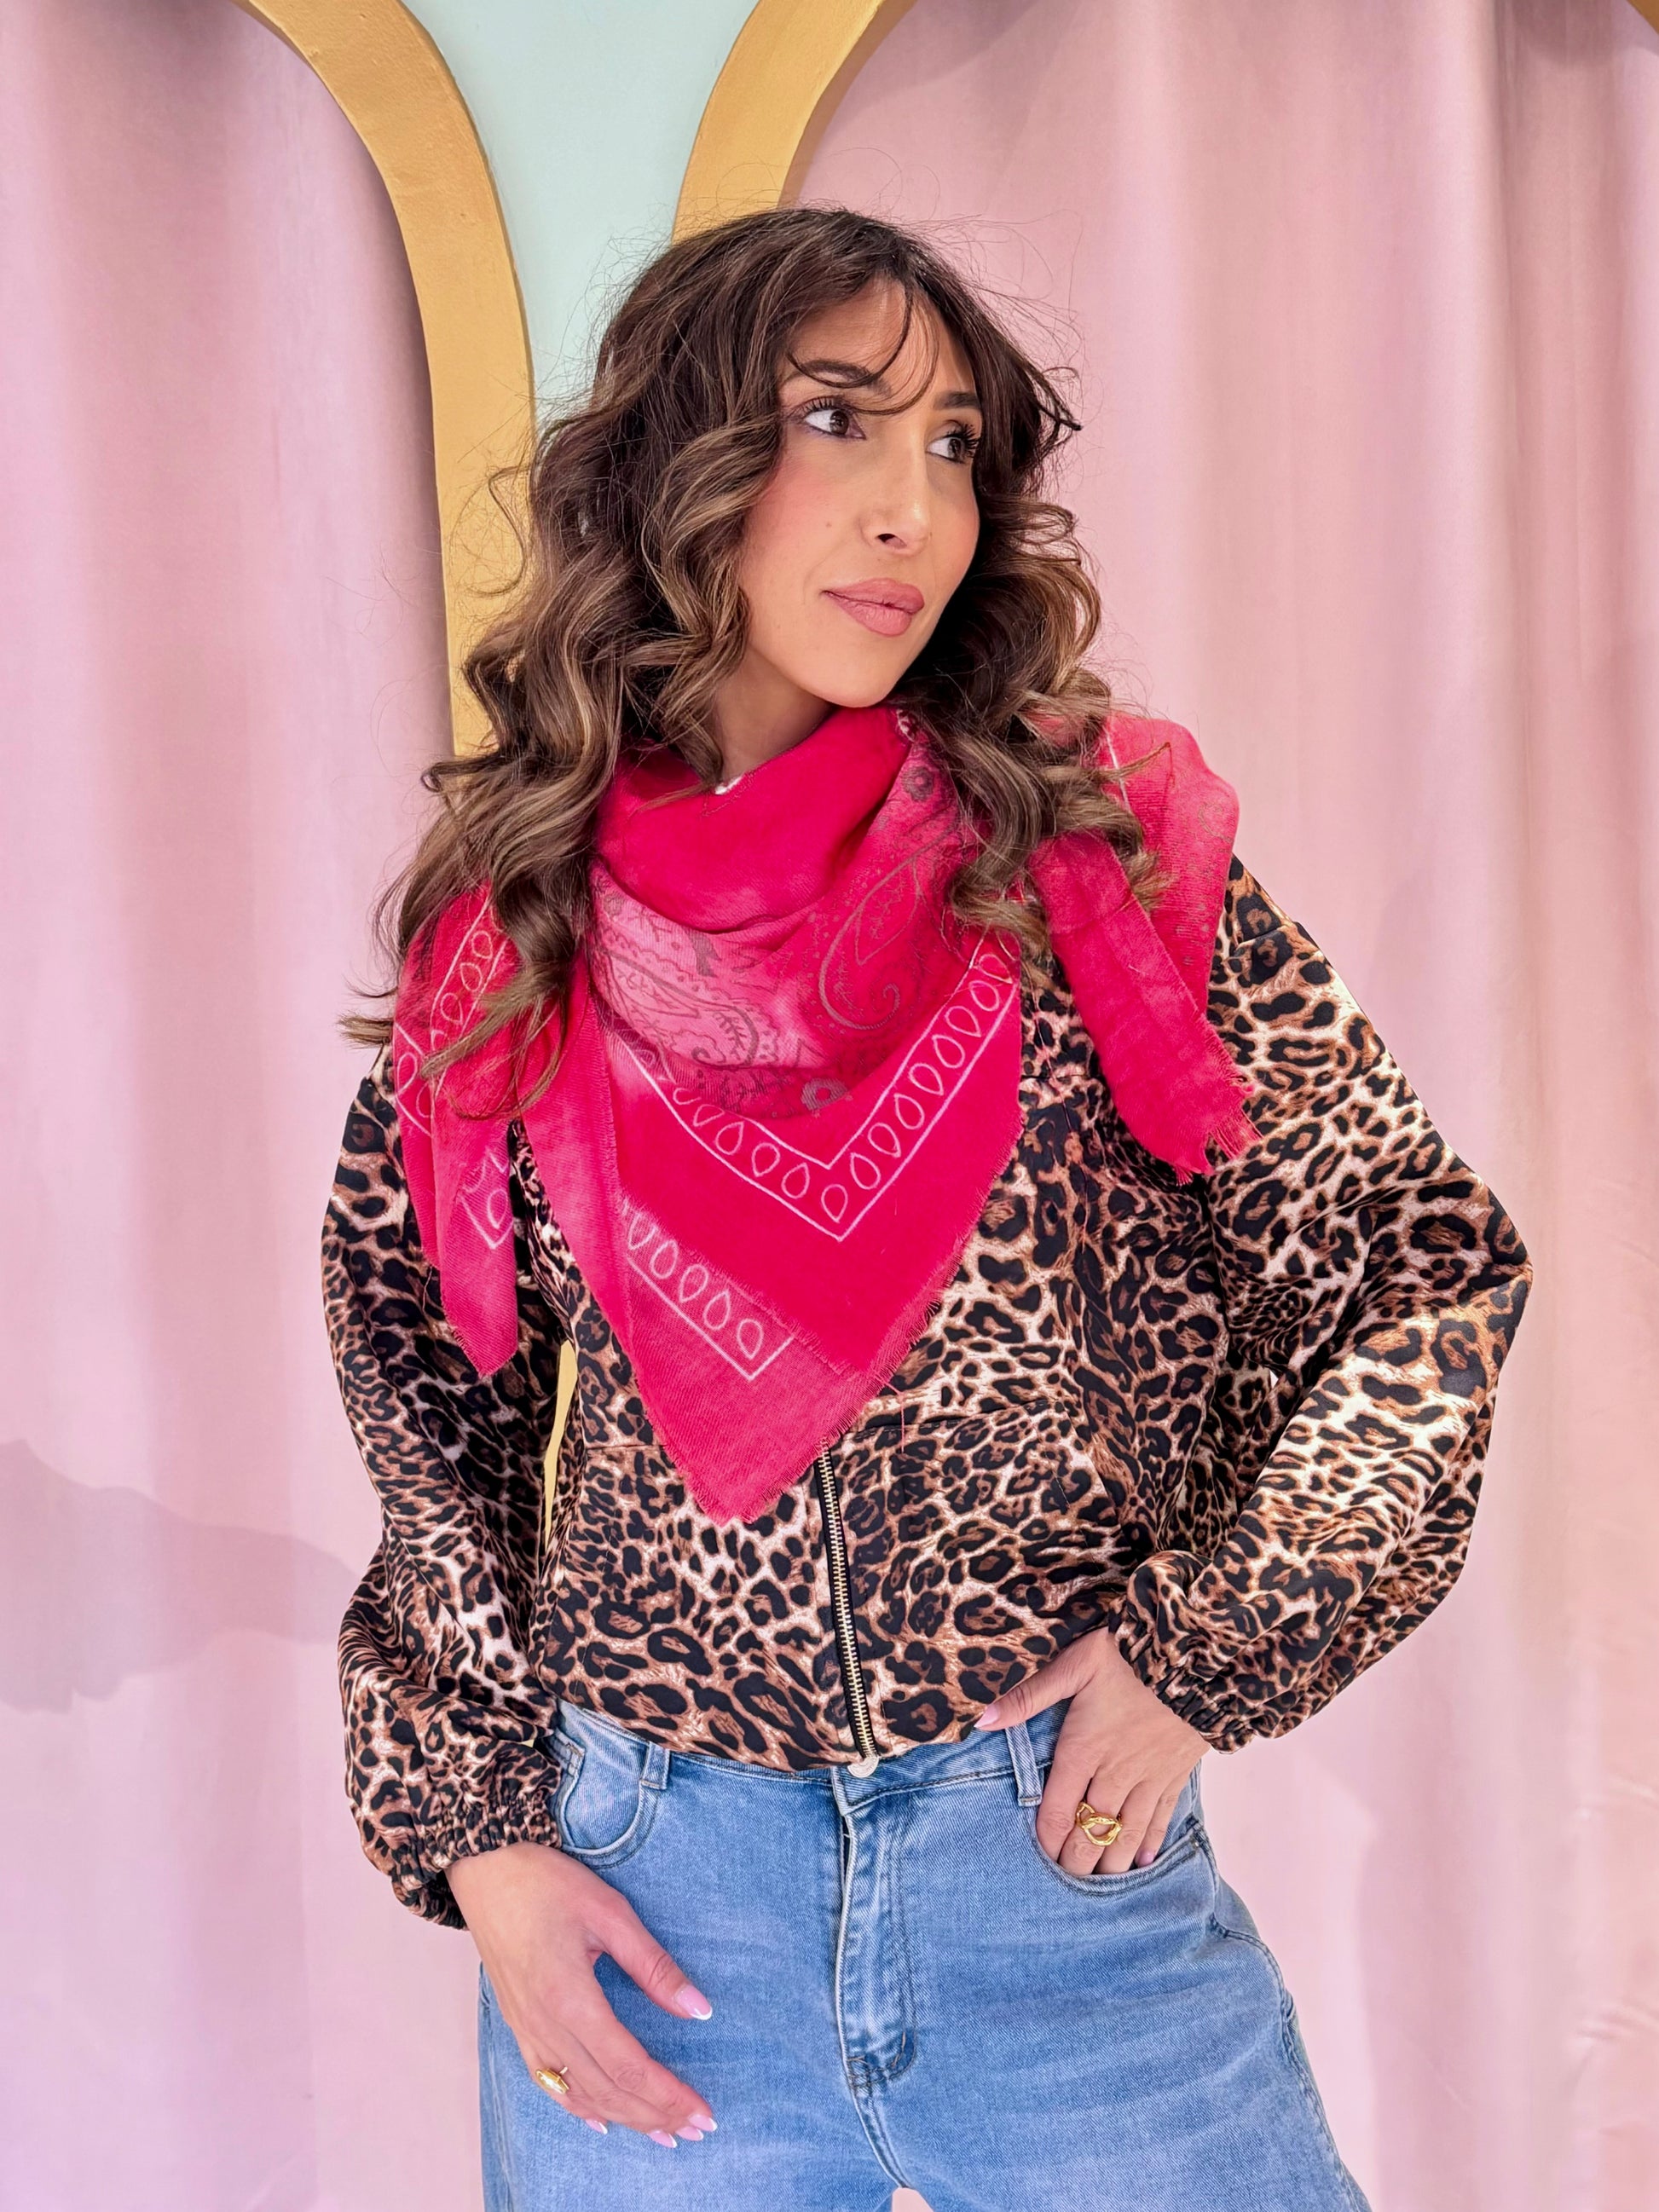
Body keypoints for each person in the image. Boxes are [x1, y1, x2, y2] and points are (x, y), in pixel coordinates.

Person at [322, 207, 1530, 2212]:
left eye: (955, 444)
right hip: (650, 1903)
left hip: (1054, 1888)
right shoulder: (525, 909)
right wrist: (485, 1836)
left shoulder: (1090, 852)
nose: (912, 508)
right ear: (681, 465)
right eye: (837, 420)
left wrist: (1210, 1640)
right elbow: (421, 1386)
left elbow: (1414, 1266)